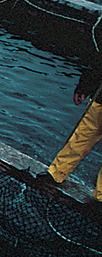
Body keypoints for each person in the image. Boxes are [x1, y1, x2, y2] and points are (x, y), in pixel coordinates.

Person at [40, 66, 102, 205]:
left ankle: (101, 198)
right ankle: (56, 173)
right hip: (99, 100)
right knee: (82, 137)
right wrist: (84, 86)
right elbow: (96, 59)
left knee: (82, 137)